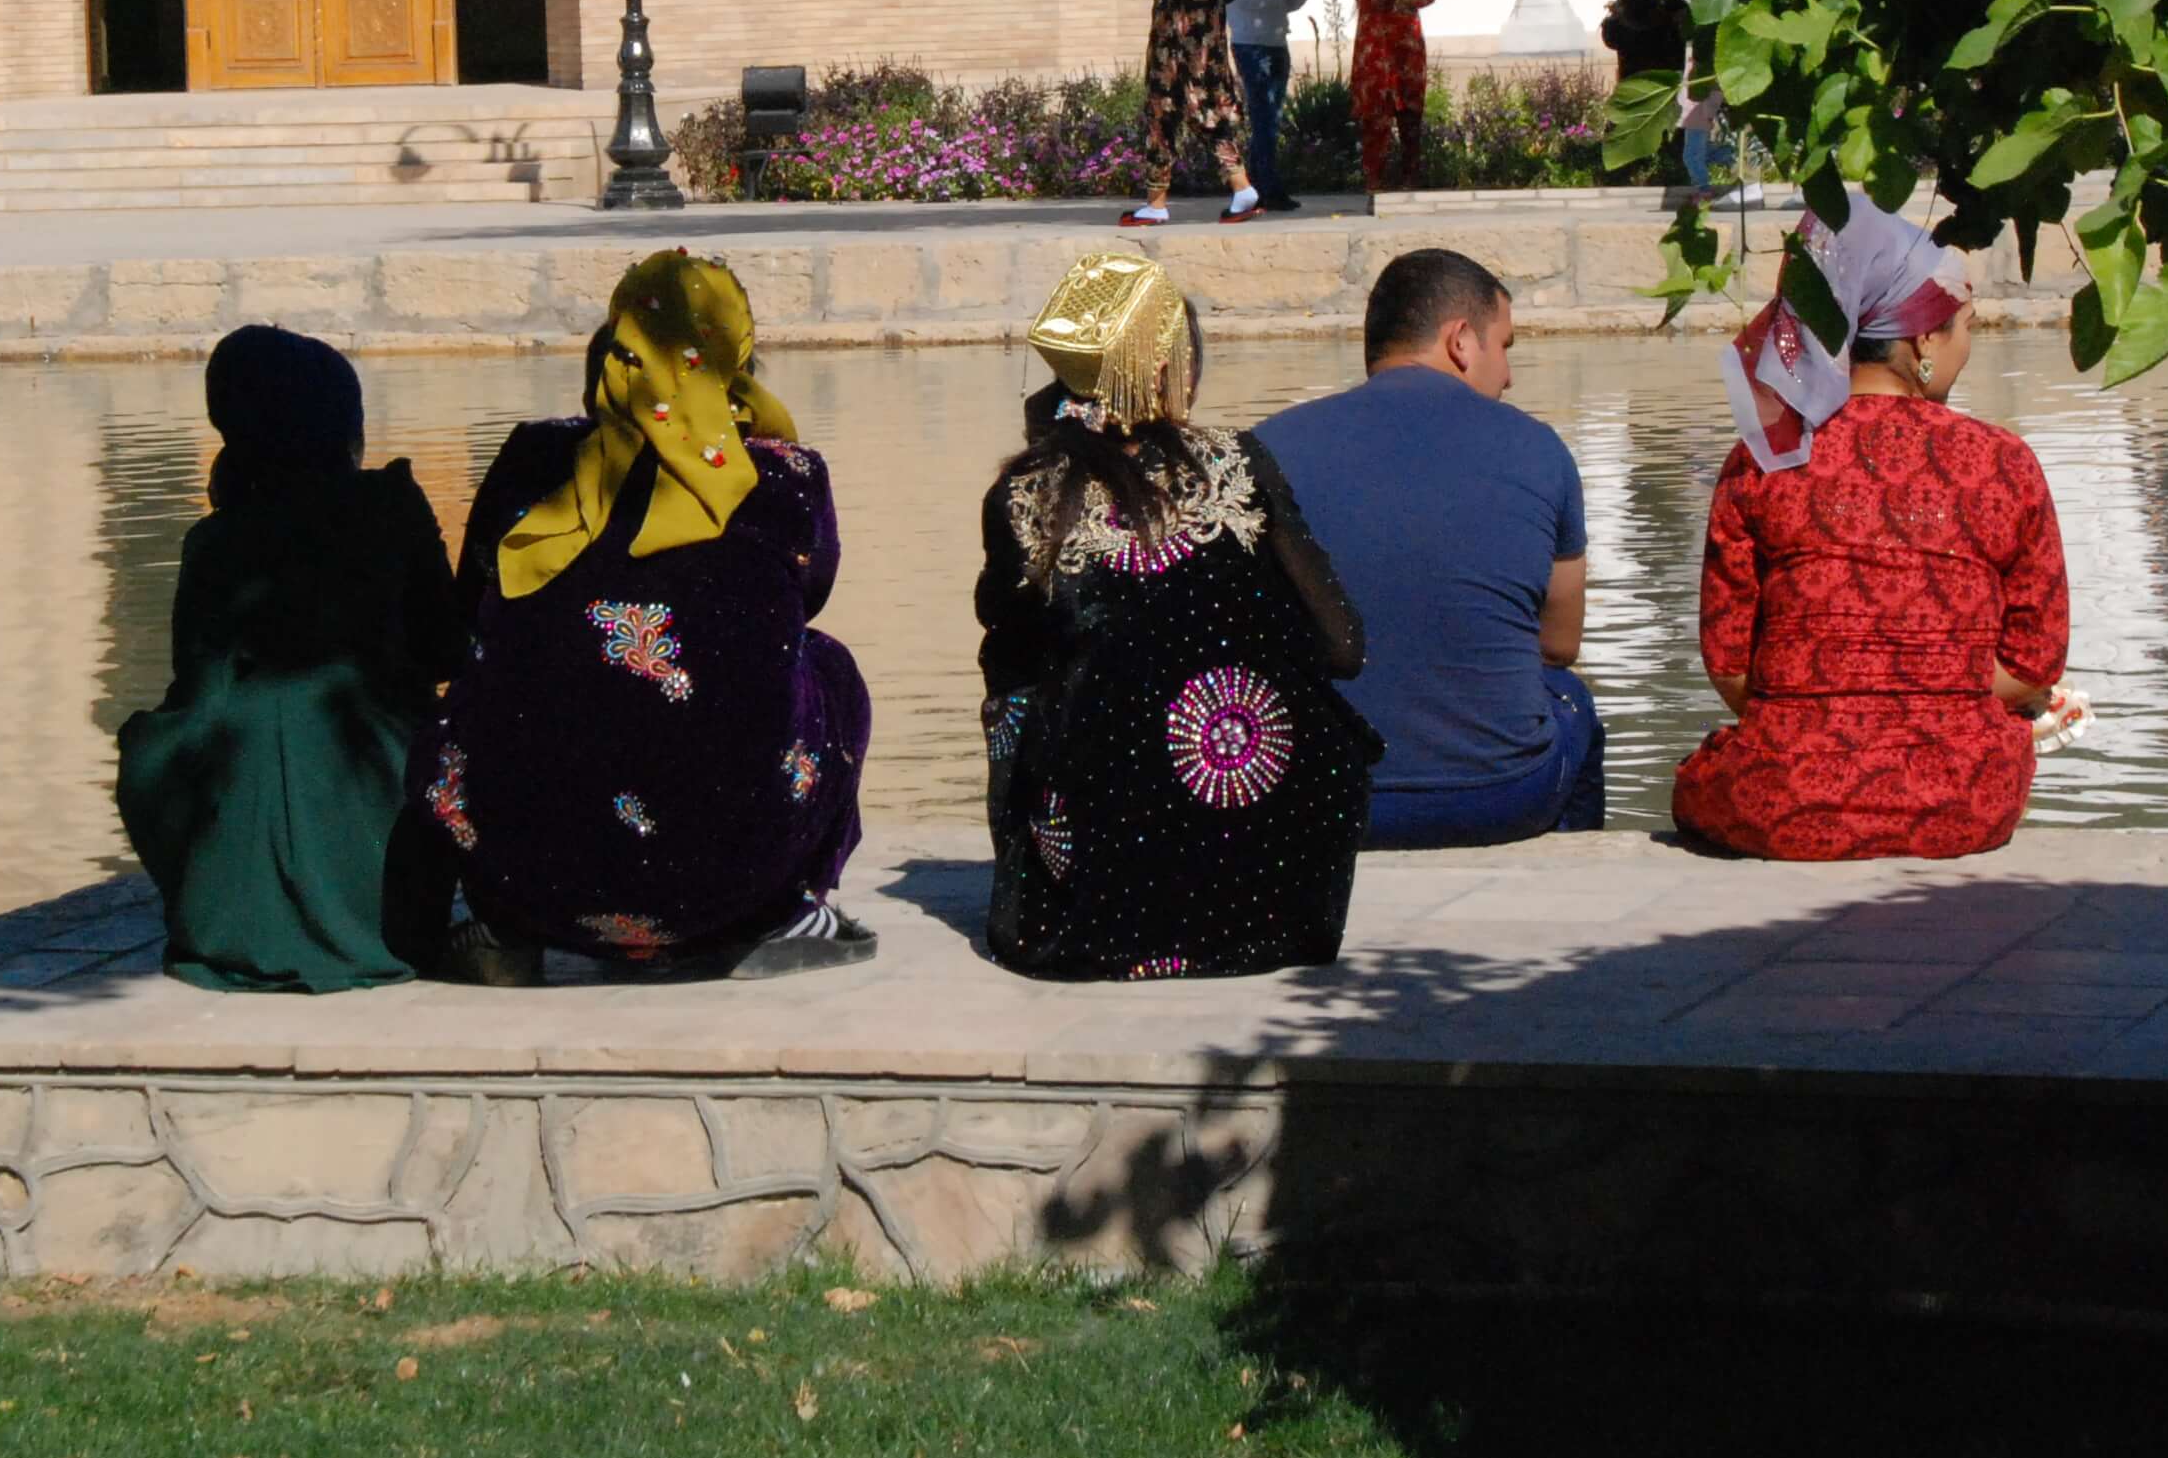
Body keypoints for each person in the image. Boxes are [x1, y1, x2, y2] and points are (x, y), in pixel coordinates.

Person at [411, 251, 874, 982]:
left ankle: (501, 928)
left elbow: (472, 604)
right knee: (828, 666)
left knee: (478, 680)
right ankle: (788, 913)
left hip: (535, 884)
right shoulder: (784, 474)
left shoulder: (534, 457)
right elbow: (803, 602)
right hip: (729, 887)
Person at [976, 250, 1378, 979]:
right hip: (1264, 902)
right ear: (1165, 365)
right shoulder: (1238, 462)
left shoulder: (1023, 495)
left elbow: (1010, 654)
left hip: (1098, 902)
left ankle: (1054, 877)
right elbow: (1343, 647)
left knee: (1021, 690)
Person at [1673, 198, 2081, 861]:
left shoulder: (1764, 460)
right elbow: (2035, 663)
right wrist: (1927, 688)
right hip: (1960, 802)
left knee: (1705, 774)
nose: (1967, 346)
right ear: (1924, 338)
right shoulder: (2004, 463)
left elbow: (1729, 665)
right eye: (1965, 327)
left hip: (1782, 804)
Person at [116, 325, 452, 993]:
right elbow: (445, 646)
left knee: (150, 743)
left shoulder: (215, 539)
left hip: (224, 928)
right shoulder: (390, 506)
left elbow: (196, 692)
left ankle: (243, 897)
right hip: (393, 919)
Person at [1255, 250, 1600, 846]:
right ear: (1462, 341)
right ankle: (1573, 871)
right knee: (1570, 700)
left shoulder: (1264, 448)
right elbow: (1559, 644)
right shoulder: (1539, 449)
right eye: (1505, 347)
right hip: (1499, 794)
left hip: (1316, 795)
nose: (1509, 376)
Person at [1126, 0, 1261, 227]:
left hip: (1174, 52)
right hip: (1208, 50)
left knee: (1161, 120)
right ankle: (1240, 187)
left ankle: (1157, 203)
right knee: (1209, 118)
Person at [1602, 0, 1713, 191]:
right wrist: (1669, 17)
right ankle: (1624, 168)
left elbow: (1677, 7)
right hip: (1645, 61)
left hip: (1662, 58)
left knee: (1668, 114)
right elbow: (1639, 16)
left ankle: (1667, 165)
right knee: (1636, 113)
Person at [1226, 0, 1320, 214]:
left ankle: (1267, 185)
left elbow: (1280, 1)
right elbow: (1245, 0)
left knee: (1272, 118)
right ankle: (1265, 188)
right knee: (1263, 116)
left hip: (1276, 41)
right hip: (1251, 44)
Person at [1341, 0, 1437, 194]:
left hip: (1407, 41)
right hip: (1375, 41)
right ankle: (1375, 178)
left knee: (1410, 109)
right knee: (1375, 111)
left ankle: (1411, 177)